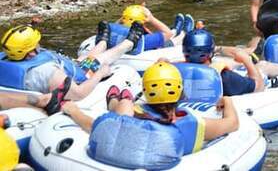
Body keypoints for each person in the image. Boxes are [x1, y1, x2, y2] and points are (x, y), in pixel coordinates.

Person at [61, 62, 239, 170]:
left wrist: (73, 110)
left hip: (125, 130)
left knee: (125, 106)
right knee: (125, 107)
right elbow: (233, 124)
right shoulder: (194, 124)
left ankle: (115, 102)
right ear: (180, 91)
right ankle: (116, 101)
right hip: (162, 152)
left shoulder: (134, 114)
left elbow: (94, 127)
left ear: (145, 91)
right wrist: (227, 100)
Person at [0, 22, 144, 101]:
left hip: (73, 67)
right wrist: (100, 74)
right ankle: (129, 43)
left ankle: (102, 43)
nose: (39, 44)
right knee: (99, 61)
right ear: (30, 52)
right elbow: (78, 94)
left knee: (82, 60)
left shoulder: (5, 59)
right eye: (36, 43)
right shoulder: (47, 72)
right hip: (80, 77)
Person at [183, 29, 278, 97]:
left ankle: (252, 53)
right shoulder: (224, 77)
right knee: (262, 66)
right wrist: (247, 61)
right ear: (210, 52)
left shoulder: (176, 70)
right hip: (237, 87)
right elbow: (258, 87)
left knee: (230, 62)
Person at [83, 5, 190, 59]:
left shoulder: (112, 34)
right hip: (155, 48)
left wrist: (123, 19)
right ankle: (183, 32)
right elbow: (167, 33)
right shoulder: (142, 40)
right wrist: (152, 19)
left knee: (169, 34)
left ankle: (176, 29)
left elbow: (114, 26)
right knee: (173, 39)